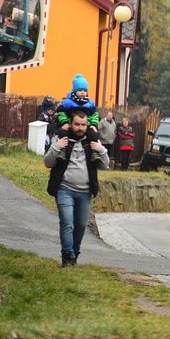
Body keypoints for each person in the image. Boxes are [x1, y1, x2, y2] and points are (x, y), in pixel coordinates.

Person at [43, 111, 109, 267]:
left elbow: (105, 164)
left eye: (83, 125)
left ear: (87, 125)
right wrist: (57, 147)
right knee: (67, 222)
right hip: (64, 189)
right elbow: (47, 162)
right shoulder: (63, 140)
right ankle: (67, 257)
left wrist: (101, 149)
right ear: (71, 124)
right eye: (77, 124)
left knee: (80, 225)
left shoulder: (91, 142)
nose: (80, 128)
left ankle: (74, 255)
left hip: (85, 192)